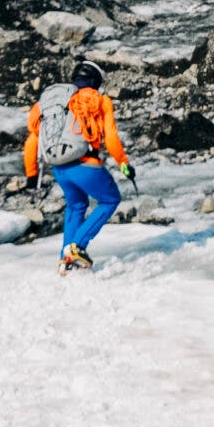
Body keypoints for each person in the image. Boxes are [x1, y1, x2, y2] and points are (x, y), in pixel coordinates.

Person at [27, 59, 135, 273]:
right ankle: (77, 247)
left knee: (76, 206)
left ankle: (65, 261)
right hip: (86, 165)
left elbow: (32, 141)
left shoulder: (50, 106)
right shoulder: (99, 101)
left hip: (59, 168)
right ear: (96, 81)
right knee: (110, 199)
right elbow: (111, 139)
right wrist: (124, 164)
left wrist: (31, 174)